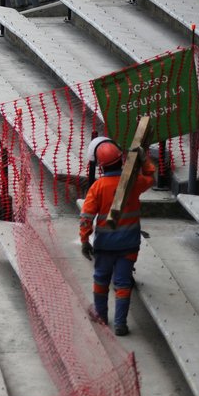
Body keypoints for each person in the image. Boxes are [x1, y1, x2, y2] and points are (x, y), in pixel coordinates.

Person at [80, 136, 156, 336]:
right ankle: (121, 323)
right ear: (121, 160)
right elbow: (151, 177)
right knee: (123, 283)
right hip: (129, 244)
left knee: (101, 279)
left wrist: (84, 240)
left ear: (101, 166)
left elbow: (86, 217)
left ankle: (101, 316)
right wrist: (144, 159)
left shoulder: (97, 187)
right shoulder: (134, 182)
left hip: (105, 245)